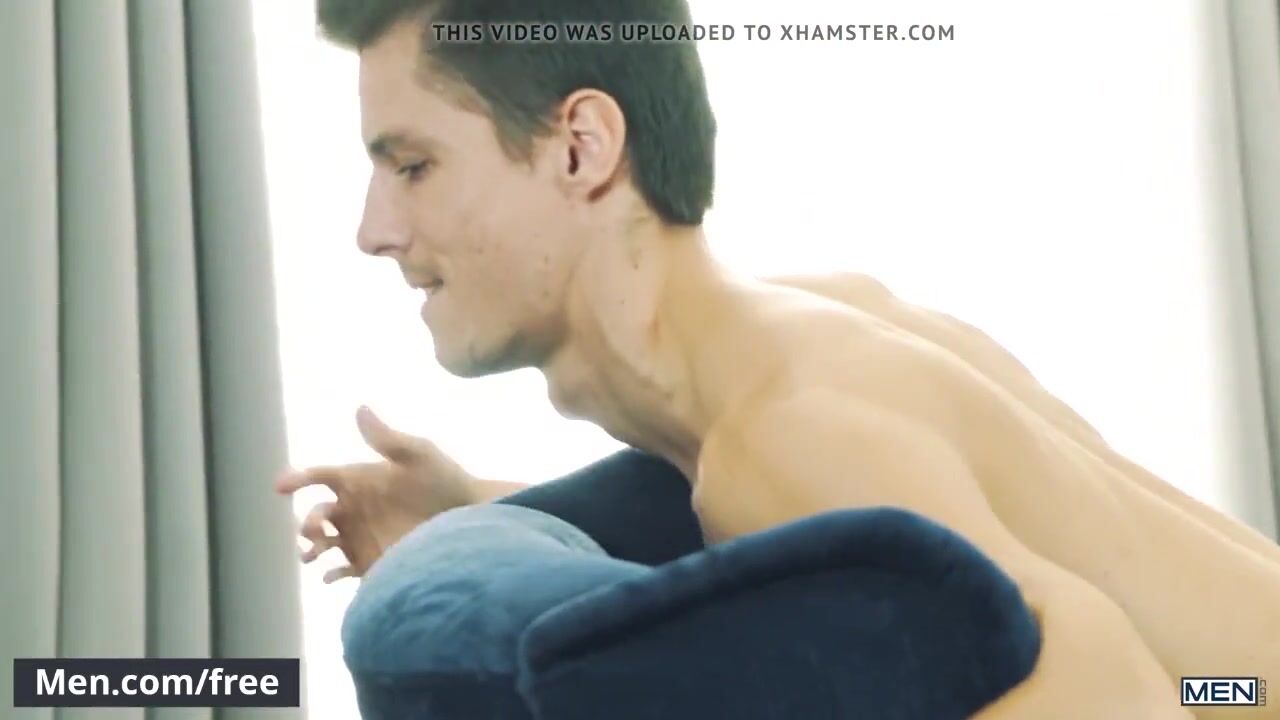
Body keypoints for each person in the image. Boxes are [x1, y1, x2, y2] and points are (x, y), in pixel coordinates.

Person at [275, 1, 1280, 717]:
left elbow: (1120, 692)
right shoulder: (805, 335)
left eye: (413, 166)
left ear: (581, 147)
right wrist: (476, 505)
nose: (374, 230)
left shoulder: (787, 436)